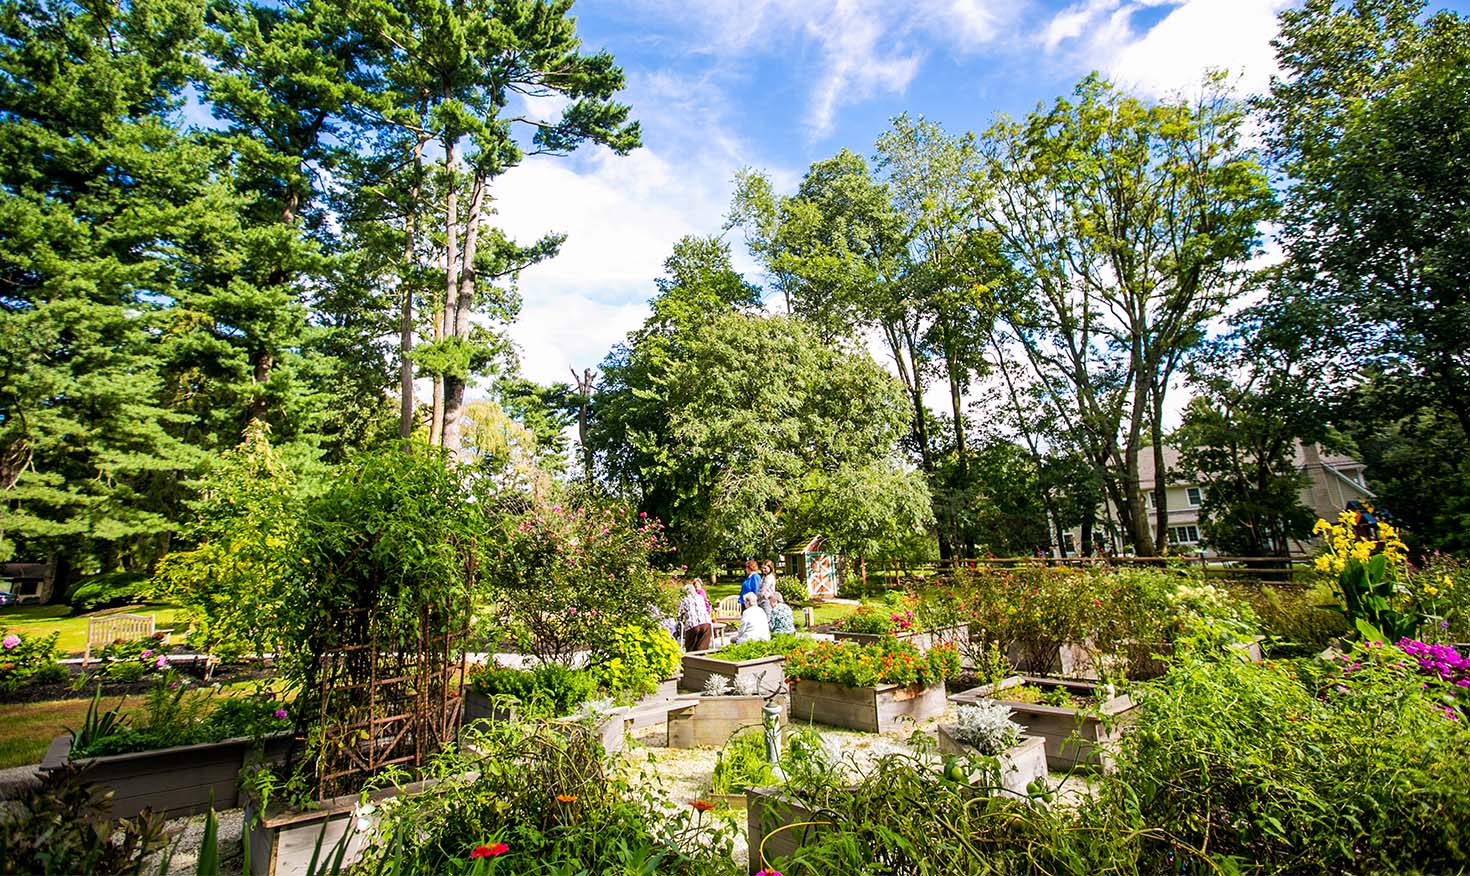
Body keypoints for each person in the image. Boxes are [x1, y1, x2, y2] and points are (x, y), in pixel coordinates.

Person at [676, 581, 713, 652]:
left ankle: (691, 661)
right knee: (702, 648)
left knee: (691, 648)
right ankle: (701, 661)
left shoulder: (684, 600)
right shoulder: (700, 597)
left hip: (693, 625)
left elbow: (679, 614)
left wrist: (680, 621)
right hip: (706, 624)